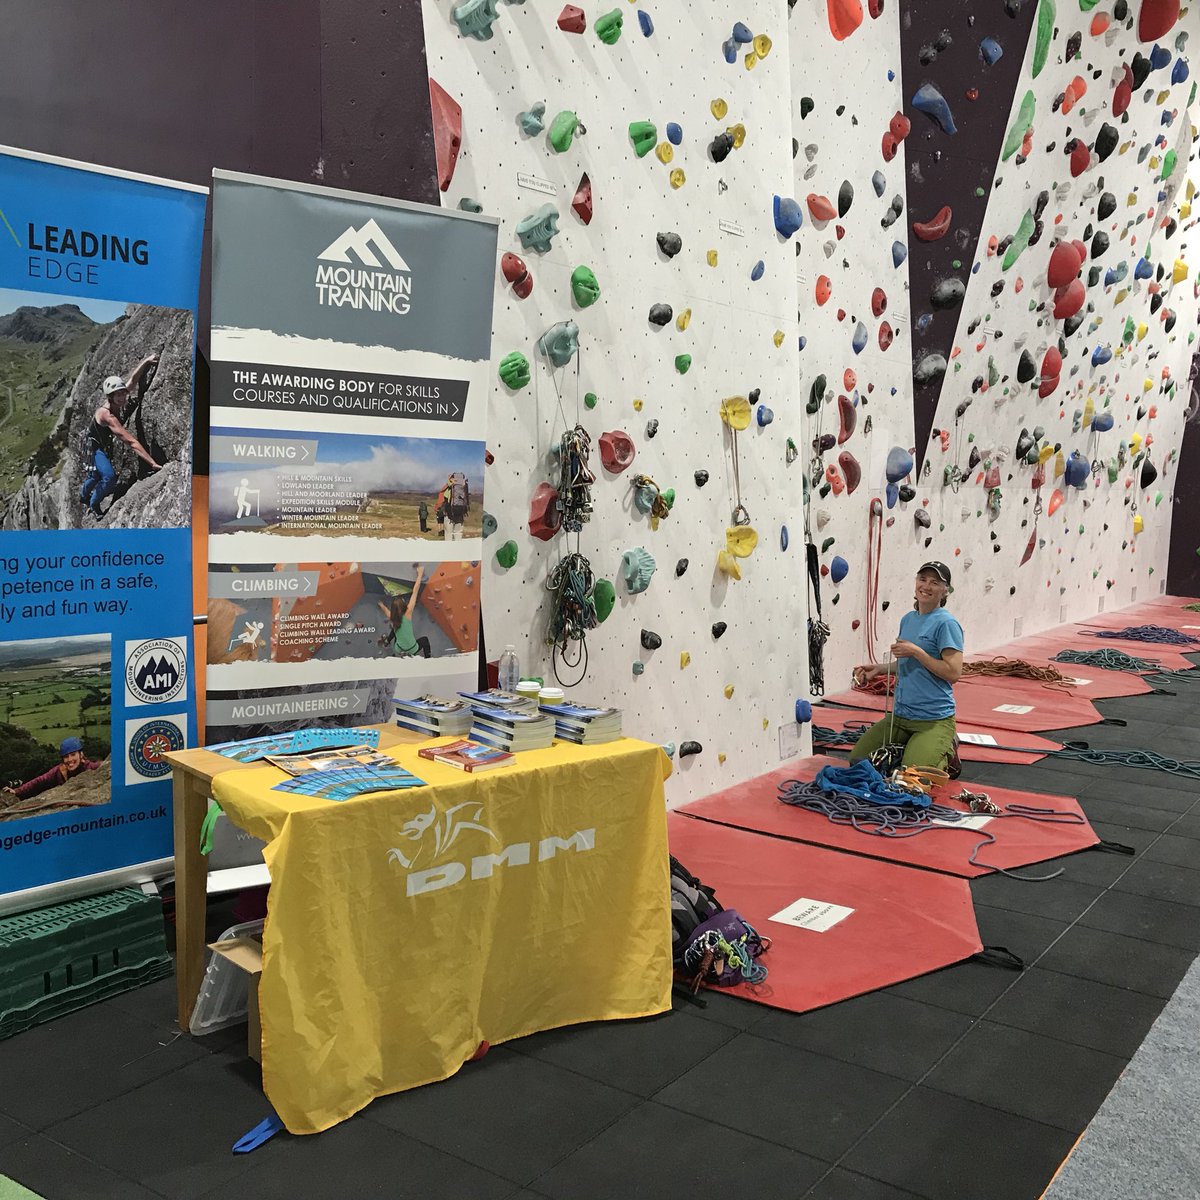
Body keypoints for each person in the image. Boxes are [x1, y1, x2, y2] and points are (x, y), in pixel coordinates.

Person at [849, 561, 964, 772]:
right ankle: (912, 748)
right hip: (901, 717)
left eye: (934, 582)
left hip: (933, 719)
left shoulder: (946, 624)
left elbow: (953, 673)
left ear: (945, 590)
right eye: (922, 580)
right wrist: (879, 669)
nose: (926, 586)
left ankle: (946, 751)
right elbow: (907, 663)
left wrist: (917, 652)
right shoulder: (908, 620)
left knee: (912, 780)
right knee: (858, 762)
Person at [79, 358, 162, 516]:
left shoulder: (118, 399)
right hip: (91, 445)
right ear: (110, 397)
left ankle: (84, 496)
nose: (122, 398)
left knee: (95, 474)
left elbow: (133, 380)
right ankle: (92, 502)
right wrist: (152, 463)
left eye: (123, 393)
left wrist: (147, 361)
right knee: (107, 477)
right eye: (118, 396)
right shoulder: (108, 416)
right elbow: (131, 441)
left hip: (97, 442)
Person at [7, 736, 103, 801]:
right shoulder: (60, 771)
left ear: (81, 754)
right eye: (66, 756)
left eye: (73, 755)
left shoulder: (92, 767)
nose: (70, 760)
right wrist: (17, 791)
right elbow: (39, 782)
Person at [377, 565, 432, 658]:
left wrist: (381, 605)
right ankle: (428, 658)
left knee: (396, 627)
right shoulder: (408, 613)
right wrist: (420, 574)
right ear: (404, 607)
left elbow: (385, 610)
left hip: (399, 649)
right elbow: (415, 591)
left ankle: (387, 641)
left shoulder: (392, 616)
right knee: (425, 640)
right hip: (412, 649)